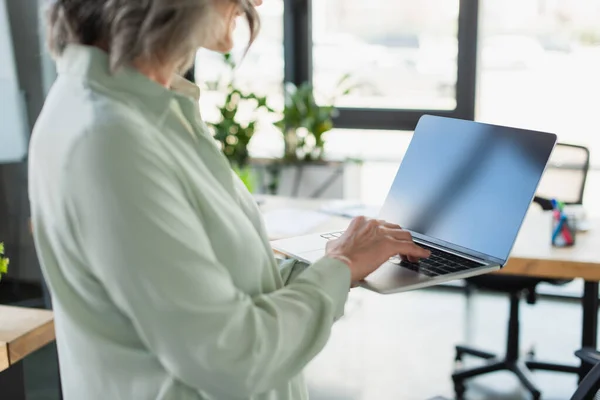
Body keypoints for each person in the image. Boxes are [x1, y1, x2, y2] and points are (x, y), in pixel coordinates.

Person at [28, 0, 430, 399]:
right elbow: (231, 356)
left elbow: (228, 290)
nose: (257, 2)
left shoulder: (145, 113)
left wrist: (339, 263)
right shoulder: (110, 140)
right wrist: (340, 267)